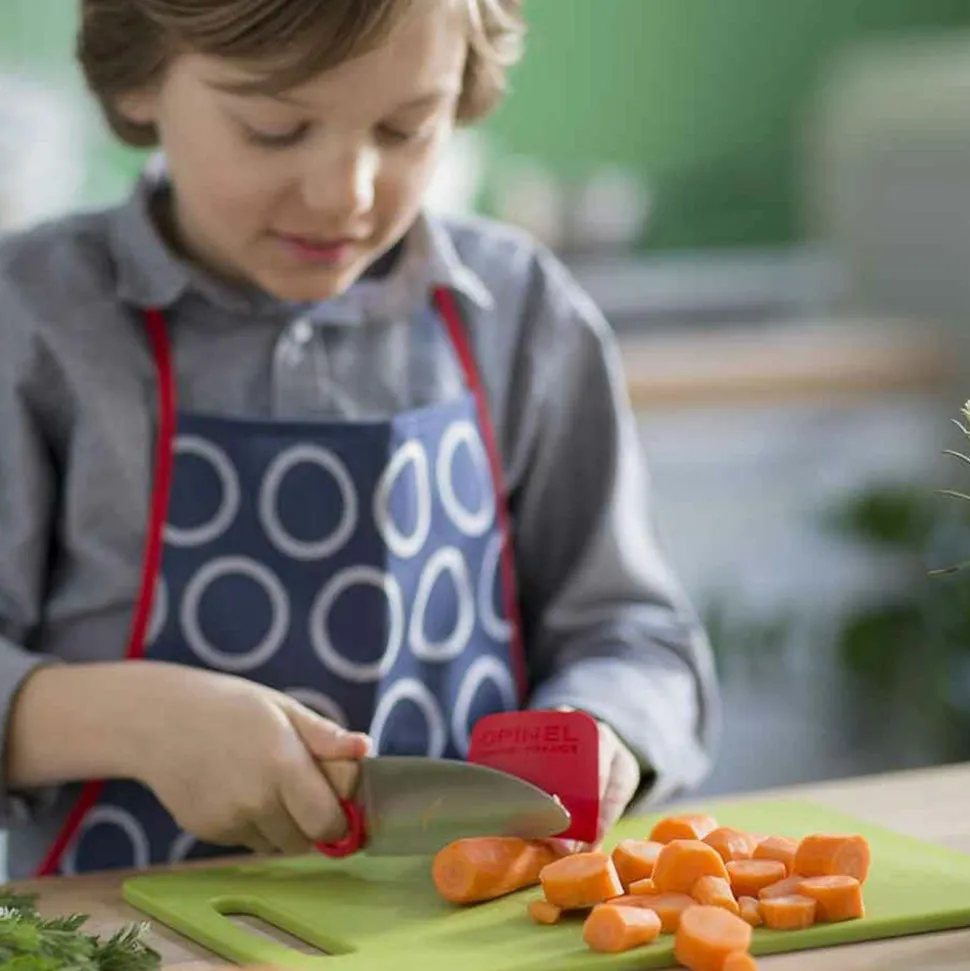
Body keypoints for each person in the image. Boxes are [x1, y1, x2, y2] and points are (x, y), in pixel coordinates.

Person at [0, 0, 719, 880]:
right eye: (275, 128)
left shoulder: (522, 316)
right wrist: (129, 717)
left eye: (407, 129)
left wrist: (603, 730)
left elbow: (637, 636)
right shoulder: (32, 322)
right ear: (143, 74)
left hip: (465, 929)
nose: (348, 191)